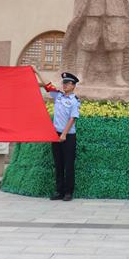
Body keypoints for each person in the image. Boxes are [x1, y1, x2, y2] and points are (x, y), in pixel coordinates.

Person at [34, 68, 80, 201]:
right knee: (58, 163)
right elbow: (47, 85)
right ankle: (59, 191)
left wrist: (64, 134)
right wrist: (36, 71)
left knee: (68, 165)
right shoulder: (58, 96)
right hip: (55, 134)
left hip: (68, 136)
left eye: (67, 83)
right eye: (64, 82)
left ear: (73, 86)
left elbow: (73, 118)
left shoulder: (74, 101)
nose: (64, 85)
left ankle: (68, 192)